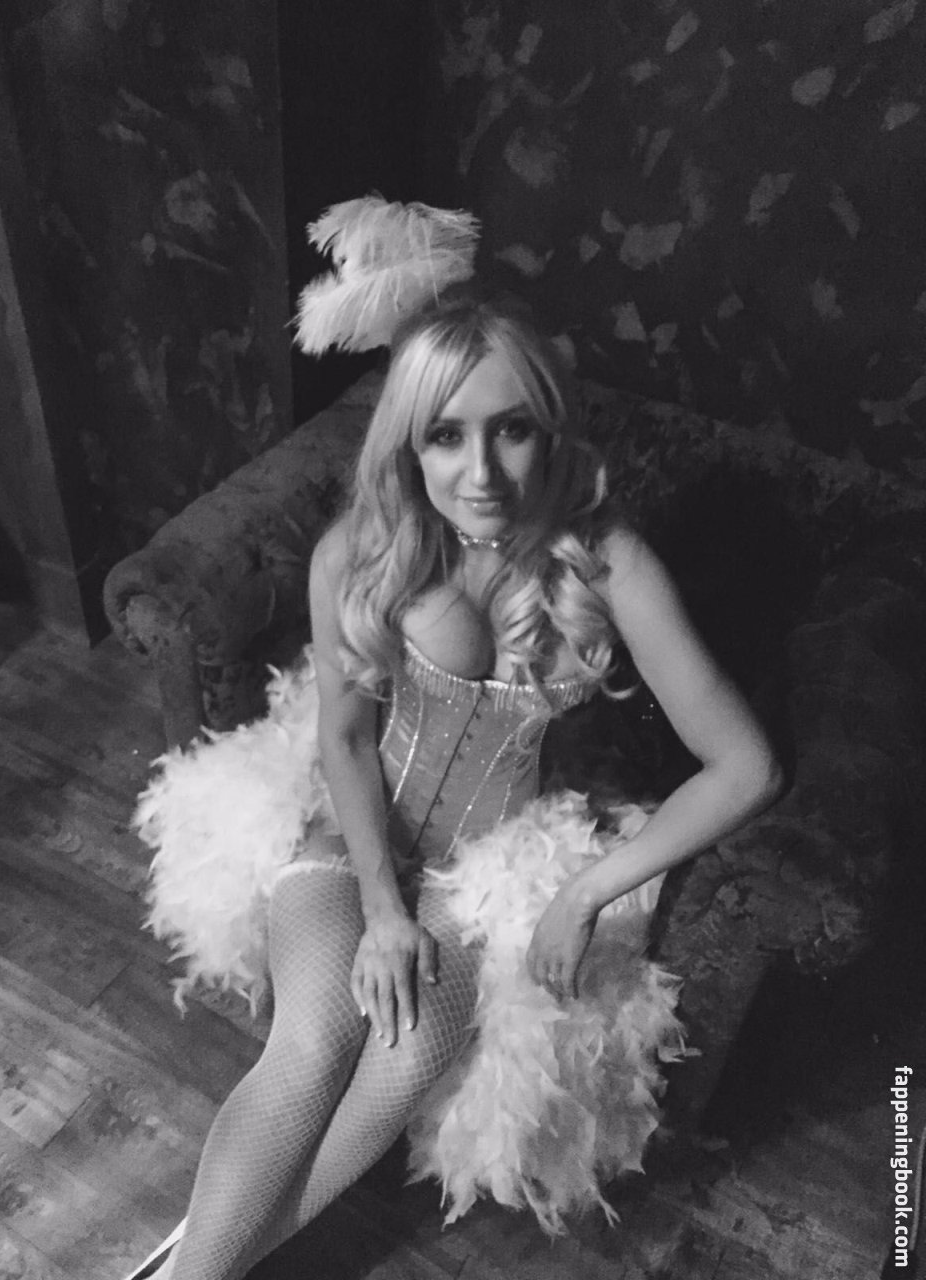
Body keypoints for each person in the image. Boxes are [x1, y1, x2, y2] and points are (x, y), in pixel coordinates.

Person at [127, 283, 782, 1280]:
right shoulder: (358, 551)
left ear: (549, 429)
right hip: (358, 830)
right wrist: (382, 910)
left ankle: (189, 1267)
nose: (480, 473)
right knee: (314, 1042)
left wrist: (585, 891)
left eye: (510, 430)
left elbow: (748, 766)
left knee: (402, 1062)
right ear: (410, 441)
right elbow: (346, 738)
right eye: (445, 435)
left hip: (487, 873)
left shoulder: (609, 562)